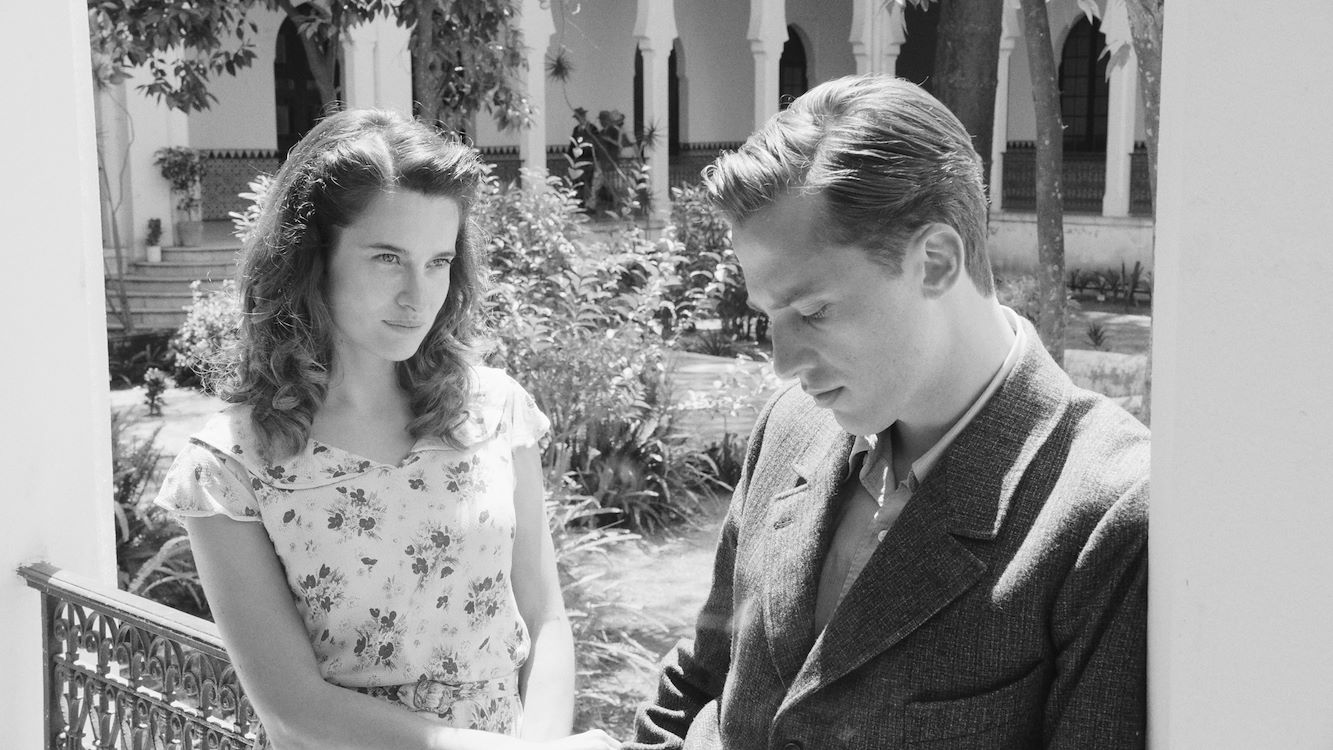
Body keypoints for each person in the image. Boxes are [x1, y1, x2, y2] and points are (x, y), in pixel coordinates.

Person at [629, 74, 1149, 749]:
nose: (781, 362)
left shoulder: (1108, 513)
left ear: (934, 260)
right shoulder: (789, 426)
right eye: (768, 316)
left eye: (814, 311)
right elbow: (703, 681)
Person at [153, 109, 619, 750]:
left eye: (438, 261)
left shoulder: (495, 412)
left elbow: (545, 618)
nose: (417, 296)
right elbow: (294, 709)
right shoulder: (230, 466)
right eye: (387, 258)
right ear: (311, 259)